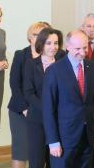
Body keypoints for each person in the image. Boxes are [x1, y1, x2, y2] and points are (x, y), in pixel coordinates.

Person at [42, 29, 94, 168]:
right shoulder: (54, 70)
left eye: (85, 47)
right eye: (78, 48)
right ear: (67, 47)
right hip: (64, 138)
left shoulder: (92, 68)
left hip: (88, 136)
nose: (82, 52)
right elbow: (48, 108)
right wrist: (53, 141)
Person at [8, 21, 52, 168]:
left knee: (42, 150)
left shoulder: (54, 57)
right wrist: (26, 109)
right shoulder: (21, 55)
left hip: (44, 111)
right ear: (29, 37)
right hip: (21, 110)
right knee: (21, 149)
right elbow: (15, 84)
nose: (39, 37)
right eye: (35, 34)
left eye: (43, 35)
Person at [24, 27, 65, 168]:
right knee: (37, 160)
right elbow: (29, 92)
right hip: (37, 120)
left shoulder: (63, 64)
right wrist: (47, 111)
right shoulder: (30, 64)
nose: (53, 47)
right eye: (48, 43)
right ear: (41, 44)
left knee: (55, 160)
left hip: (59, 119)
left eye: (56, 43)